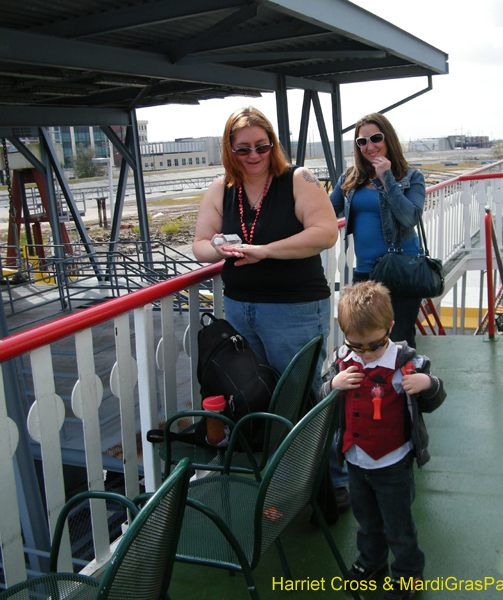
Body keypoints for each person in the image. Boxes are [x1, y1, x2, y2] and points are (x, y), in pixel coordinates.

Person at [192, 107, 350, 510]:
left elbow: (325, 232)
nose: (254, 155)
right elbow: (199, 245)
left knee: (302, 398)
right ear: (230, 148)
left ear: (273, 145)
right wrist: (219, 248)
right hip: (243, 309)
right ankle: (283, 484)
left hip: (294, 309)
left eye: (262, 146)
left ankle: (332, 483)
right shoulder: (221, 189)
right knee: (258, 398)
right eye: (243, 148)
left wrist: (265, 251)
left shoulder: (296, 180)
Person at [319, 281, 446, 600]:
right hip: (356, 461)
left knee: (398, 524)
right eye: (356, 345)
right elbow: (322, 400)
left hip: (393, 463)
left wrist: (427, 383)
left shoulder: (408, 362)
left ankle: (408, 573)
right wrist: (333, 384)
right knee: (367, 520)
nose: (364, 353)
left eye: (374, 345)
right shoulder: (341, 360)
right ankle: (372, 561)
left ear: (389, 328)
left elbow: (435, 397)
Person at [329, 113, 427, 348]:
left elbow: (409, 217)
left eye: (375, 138)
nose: (369, 146)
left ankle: (404, 384)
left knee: (399, 339)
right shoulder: (351, 177)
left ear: (388, 138)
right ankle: (371, 386)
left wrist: (387, 179)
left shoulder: (412, 177)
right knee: (361, 339)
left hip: (400, 270)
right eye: (362, 141)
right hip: (365, 274)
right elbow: (326, 210)